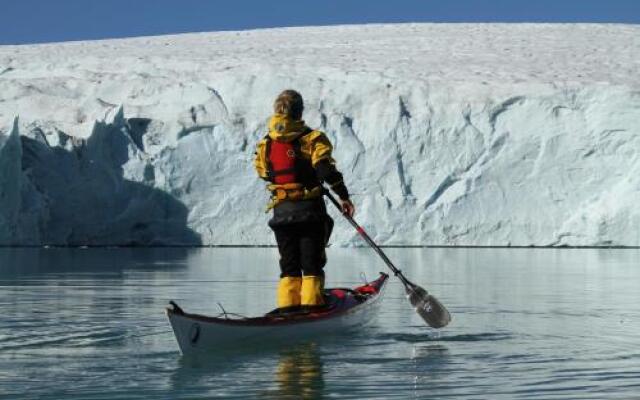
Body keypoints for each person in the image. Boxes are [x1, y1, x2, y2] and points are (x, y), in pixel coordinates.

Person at [254, 90, 355, 311]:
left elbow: (264, 173)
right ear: (300, 112)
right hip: (310, 212)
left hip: (281, 214)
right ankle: (312, 311)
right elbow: (324, 169)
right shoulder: (312, 139)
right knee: (311, 266)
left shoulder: (265, 144)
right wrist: (343, 196)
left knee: (289, 267)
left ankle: (287, 312)